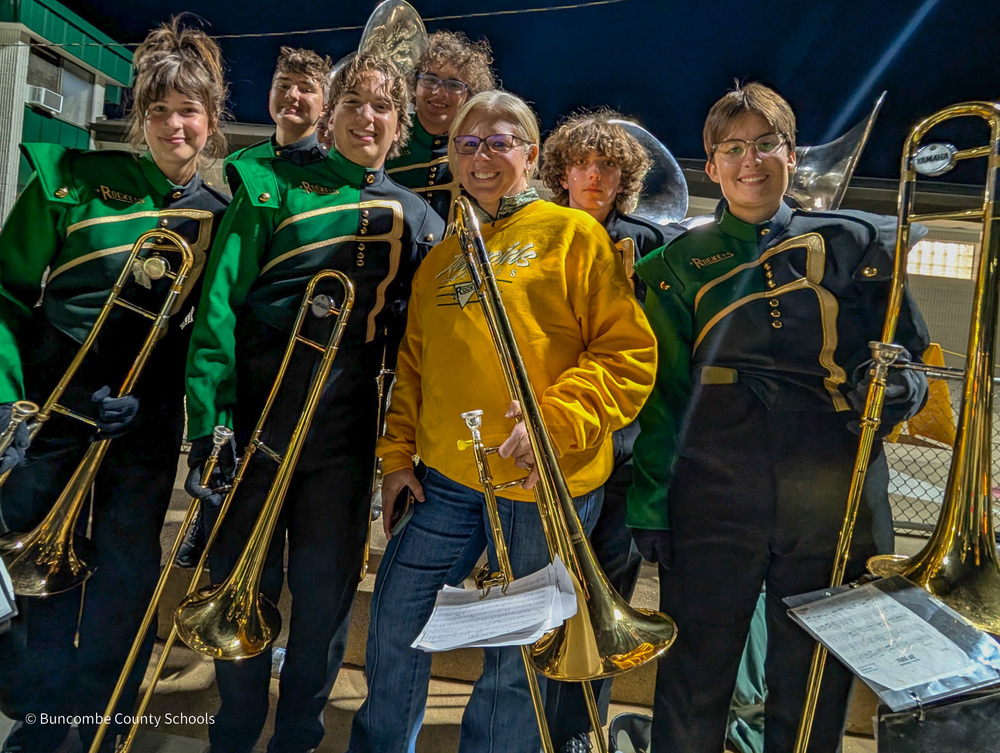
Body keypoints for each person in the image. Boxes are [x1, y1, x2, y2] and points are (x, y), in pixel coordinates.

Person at [346, 90, 657, 753]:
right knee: (395, 622)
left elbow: (626, 354)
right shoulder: (441, 258)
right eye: (468, 143)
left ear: (532, 154)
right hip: (448, 482)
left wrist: (554, 420)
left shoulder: (575, 234)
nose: (482, 157)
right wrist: (397, 455)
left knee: (513, 668)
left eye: (500, 142)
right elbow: (415, 369)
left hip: (545, 485)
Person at [627, 82, 929, 753]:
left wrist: (899, 388)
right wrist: (651, 504)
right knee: (693, 678)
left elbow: (910, 356)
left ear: (792, 155)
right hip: (712, 493)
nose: (750, 161)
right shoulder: (670, 267)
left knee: (815, 677)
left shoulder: (858, 242)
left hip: (831, 494)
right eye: (732, 148)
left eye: (766, 144)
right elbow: (663, 397)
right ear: (711, 166)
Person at [184, 51, 444, 753]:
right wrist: (209, 424)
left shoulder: (421, 218)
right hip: (257, 421)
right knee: (244, 579)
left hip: (345, 430)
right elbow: (218, 311)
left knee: (326, 597)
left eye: (383, 107)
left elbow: (424, 347)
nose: (367, 116)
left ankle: (296, 735)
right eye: (353, 102)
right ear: (329, 116)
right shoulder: (268, 184)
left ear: (400, 129)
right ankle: (233, 731)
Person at [0, 18, 230, 753]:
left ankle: (103, 720)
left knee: (127, 568)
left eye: (188, 109)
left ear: (212, 120)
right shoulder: (66, 180)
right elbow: (5, 294)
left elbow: (210, 331)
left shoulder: (222, 219)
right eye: (158, 109)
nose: (173, 124)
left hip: (142, 417)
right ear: (138, 117)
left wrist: (177, 407)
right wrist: (7, 396)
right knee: (31, 566)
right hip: (50, 409)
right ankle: (36, 720)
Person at [539, 108, 674, 753]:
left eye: (610, 167)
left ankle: (580, 730)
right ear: (560, 173)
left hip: (620, 452)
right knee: (539, 596)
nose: (596, 175)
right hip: (549, 448)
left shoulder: (648, 243)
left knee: (605, 600)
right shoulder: (534, 235)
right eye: (584, 164)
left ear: (626, 179)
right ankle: (526, 723)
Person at [175, 45, 331, 568]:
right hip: (245, 347)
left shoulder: (333, 169)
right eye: (284, 84)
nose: (292, 95)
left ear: (325, 106)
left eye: (307, 87)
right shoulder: (242, 165)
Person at [384, 30, 496, 221]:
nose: (439, 92)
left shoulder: (480, 147)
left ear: (469, 96)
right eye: (429, 79)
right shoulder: (386, 141)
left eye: (454, 85)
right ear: (413, 86)